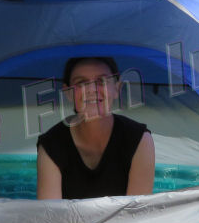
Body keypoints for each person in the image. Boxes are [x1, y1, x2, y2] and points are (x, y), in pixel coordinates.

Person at [36, 57, 155, 199]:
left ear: (117, 89)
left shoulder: (140, 140)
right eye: (81, 83)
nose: (91, 90)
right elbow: (50, 216)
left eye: (101, 81)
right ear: (67, 92)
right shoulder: (51, 144)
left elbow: (137, 215)